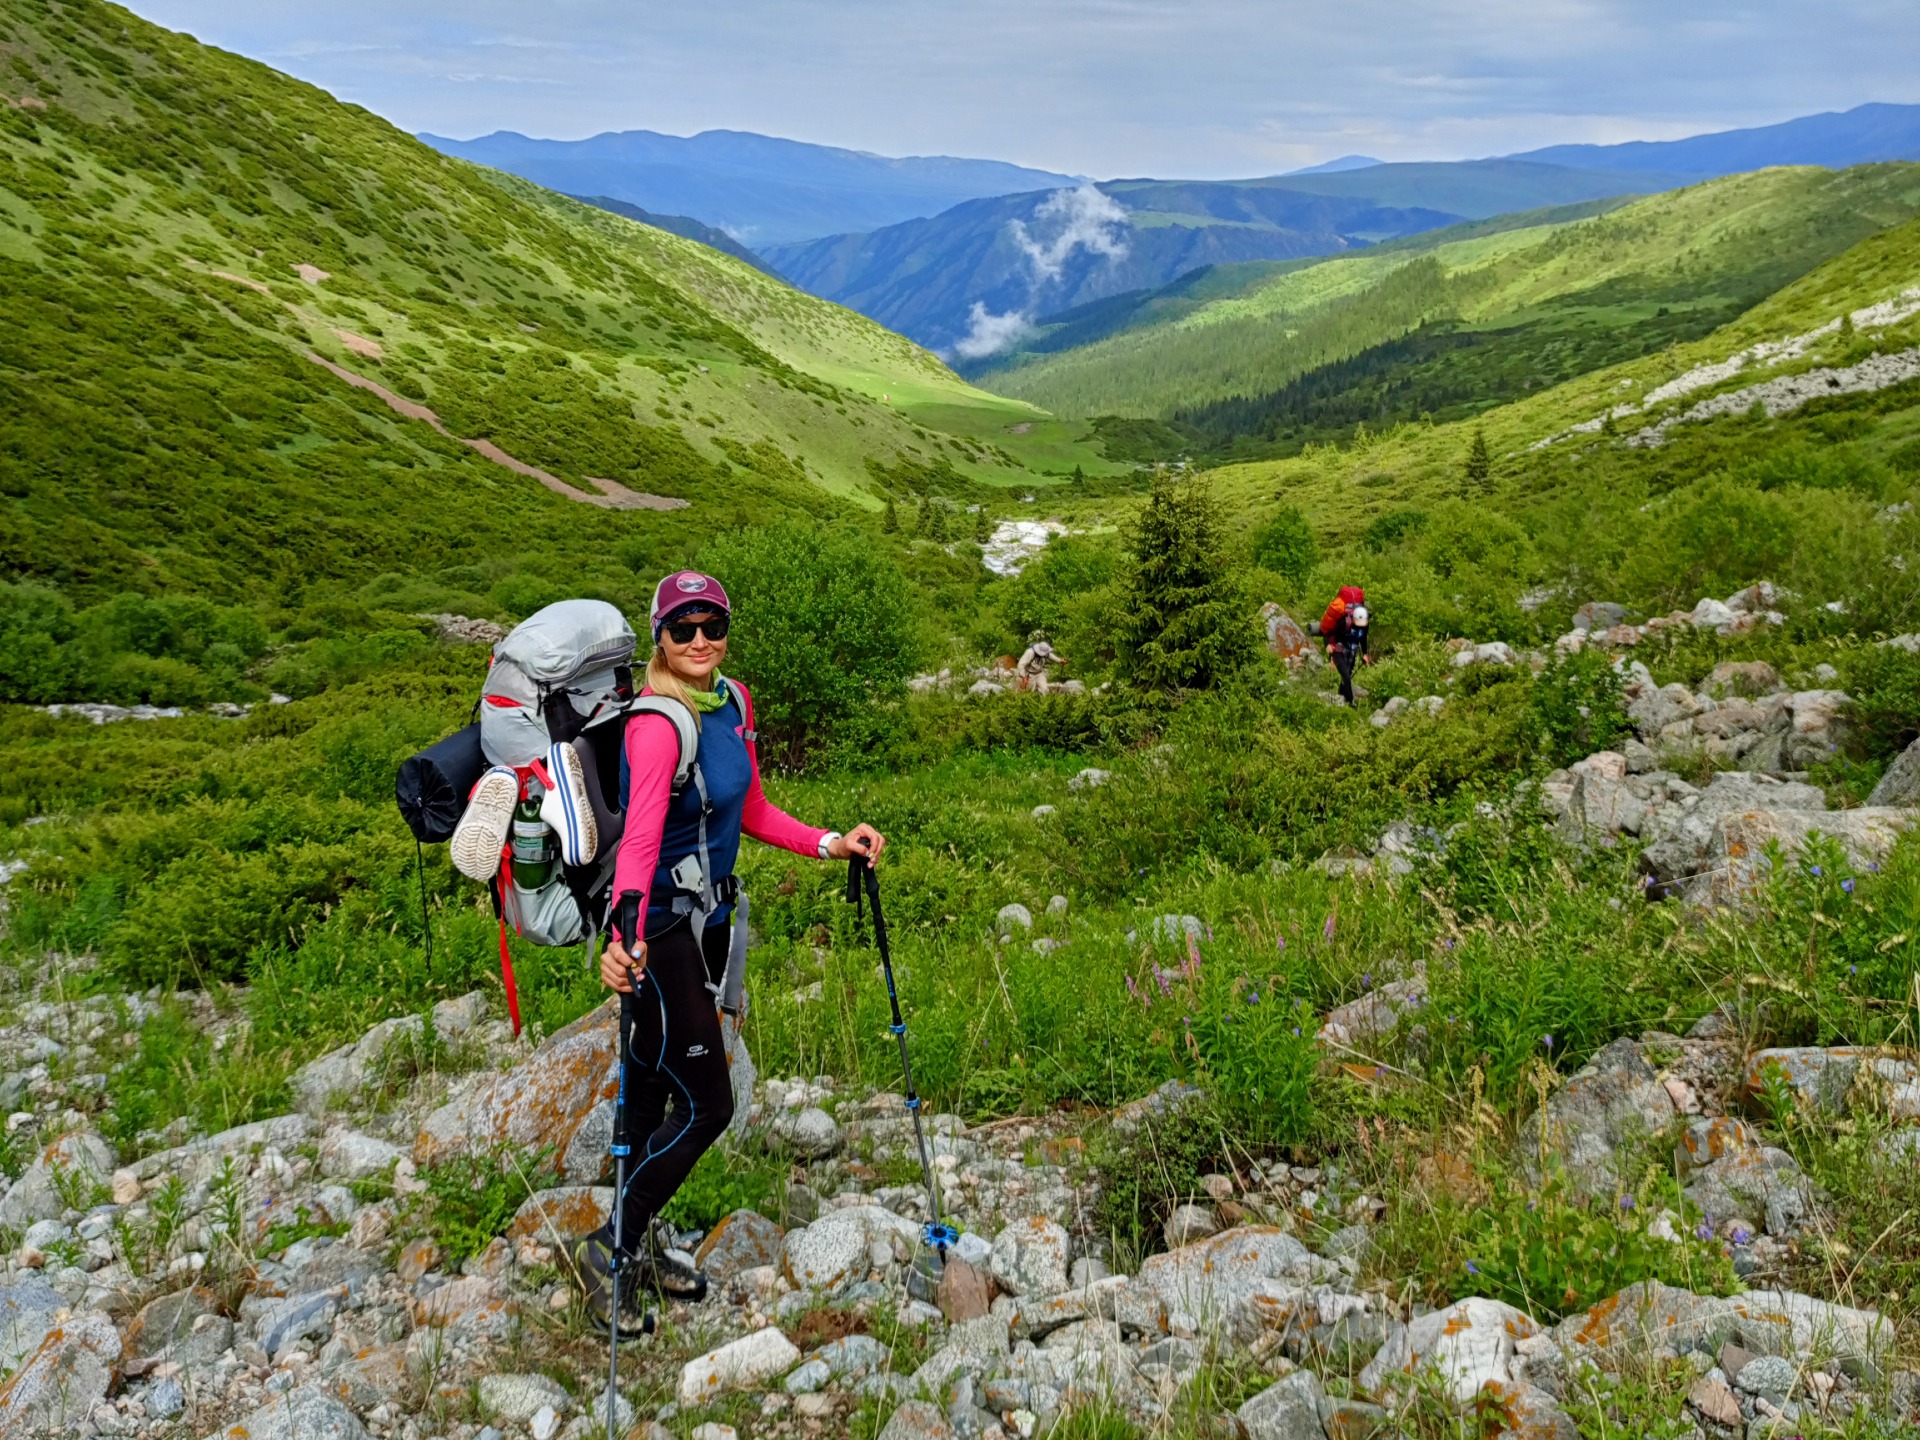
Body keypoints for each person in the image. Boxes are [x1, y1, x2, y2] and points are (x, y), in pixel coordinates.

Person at [570, 570, 886, 1330]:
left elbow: (752, 808)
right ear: (661, 638)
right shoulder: (656, 724)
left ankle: (635, 1241)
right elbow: (640, 841)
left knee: (649, 1082)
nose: (701, 640)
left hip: (710, 919)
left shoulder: (734, 702)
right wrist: (622, 937)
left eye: (713, 625)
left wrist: (828, 843)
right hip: (662, 928)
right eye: (685, 628)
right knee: (710, 1103)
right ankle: (607, 1247)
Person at [1320, 585, 1371, 707]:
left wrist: (1365, 654)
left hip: (1352, 651)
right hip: (1339, 650)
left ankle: (1341, 698)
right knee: (1347, 677)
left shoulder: (1365, 626)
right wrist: (1328, 645)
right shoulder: (1344, 622)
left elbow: (1363, 639)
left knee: (1347, 676)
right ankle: (1350, 702)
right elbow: (1329, 633)